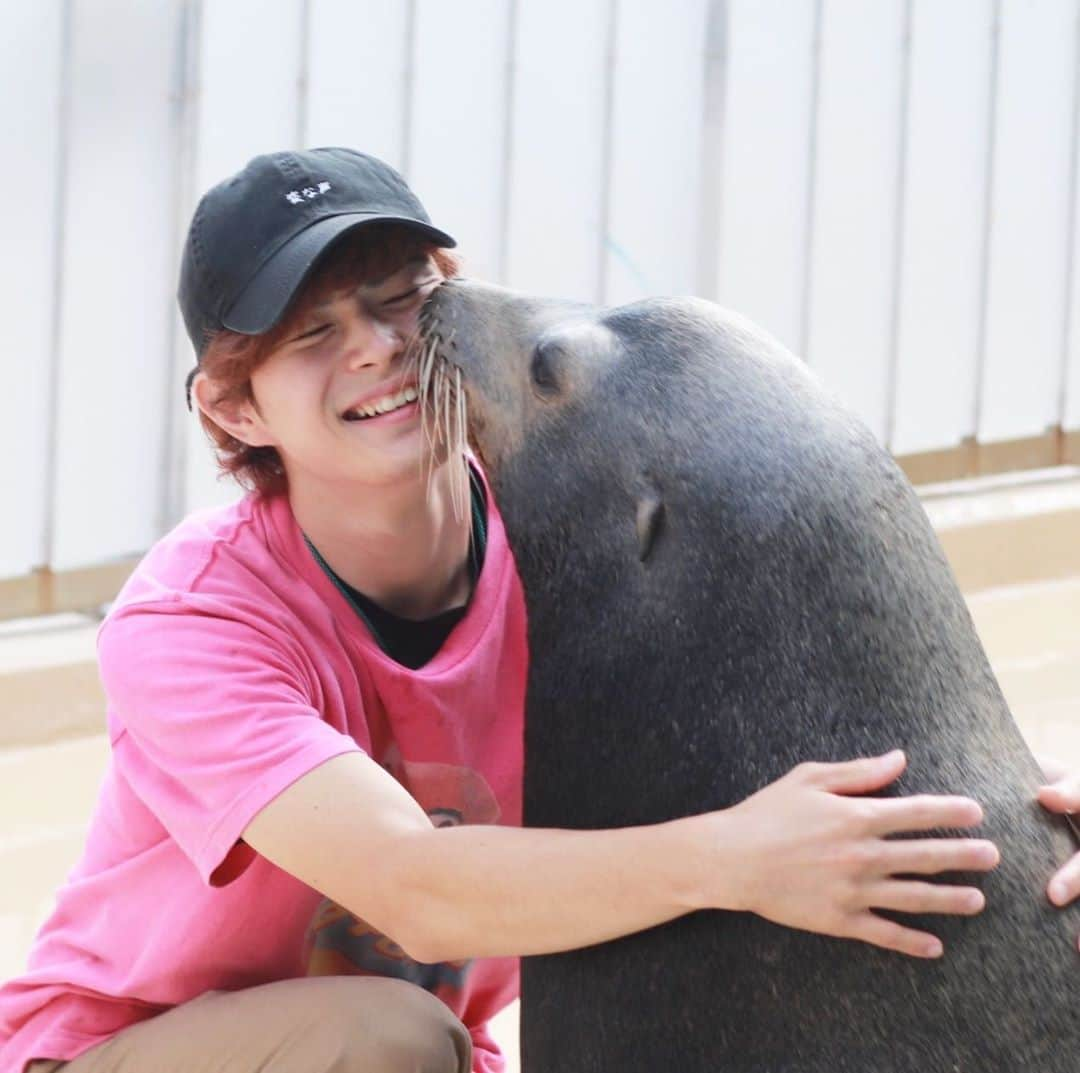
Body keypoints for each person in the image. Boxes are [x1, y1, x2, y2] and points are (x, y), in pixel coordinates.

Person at [1, 147, 1077, 1073]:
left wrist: (1038, 823)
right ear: (235, 405)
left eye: (398, 295)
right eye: (313, 333)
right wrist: (738, 856)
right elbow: (412, 886)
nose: (377, 344)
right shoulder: (193, 622)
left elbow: (837, 734)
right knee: (389, 1038)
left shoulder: (569, 562)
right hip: (133, 1048)